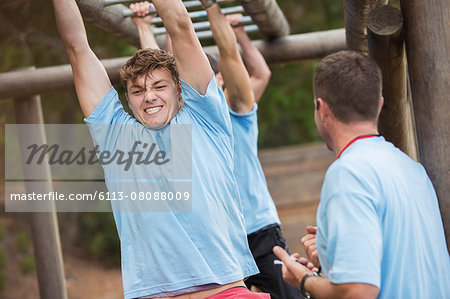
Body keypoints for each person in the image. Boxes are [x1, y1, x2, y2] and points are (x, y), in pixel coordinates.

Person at [52, 0, 266, 298]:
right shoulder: (116, 135)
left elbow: (179, 22)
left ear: (179, 91)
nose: (149, 96)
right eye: (138, 91)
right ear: (127, 100)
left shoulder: (206, 118)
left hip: (224, 291)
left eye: (159, 86)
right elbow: (77, 48)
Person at [273, 50, 450, 299]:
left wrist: (304, 279)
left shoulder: (348, 174)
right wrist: (331, 261)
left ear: (321, 109)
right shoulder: (413, 169)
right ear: (378, 105)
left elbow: (358, 292)